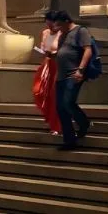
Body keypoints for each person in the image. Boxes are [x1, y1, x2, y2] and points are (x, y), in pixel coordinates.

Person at [53, 11, 92, 150]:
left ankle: (83, 122)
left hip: (74, 74)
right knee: (60, 108)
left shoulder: (80, 31)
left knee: (68, 103)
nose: (57, 28)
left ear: (66, 21)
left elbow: (88, 50)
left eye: (59, 25)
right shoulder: (62, 35)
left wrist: (80, 69)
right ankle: (69, 140)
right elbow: (62, 52)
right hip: (61, 76)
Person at [32, 13, 61, 135]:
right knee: (39, 91)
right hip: (46, 64)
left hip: (57, 64)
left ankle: (56, 125)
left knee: (54, 95)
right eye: (48, 24)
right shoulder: (45, 33)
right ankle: (49, 117)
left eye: (53, 23)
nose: (51, 26)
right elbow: (43, 48)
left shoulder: (62, 34)